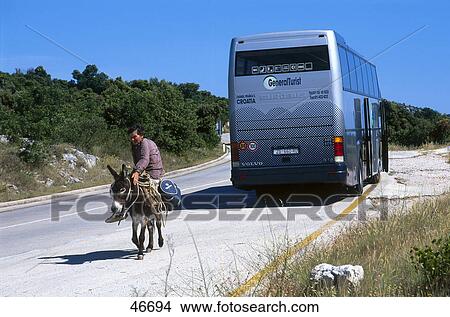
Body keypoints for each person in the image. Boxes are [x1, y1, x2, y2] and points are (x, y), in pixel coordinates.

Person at [105, 124, 165, 223]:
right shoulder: (135, 145)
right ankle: (119, 210)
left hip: (153, 172)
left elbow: (144, 159)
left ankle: (129, 210)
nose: (132, 139)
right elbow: (138, 161)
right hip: (143, 170)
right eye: (131, 138)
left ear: (141, 135)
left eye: (134, 137)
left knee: (135, 187)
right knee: (123, 184)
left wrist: (137, 171)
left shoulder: (145, 143)